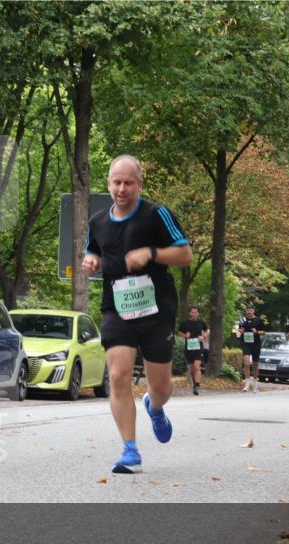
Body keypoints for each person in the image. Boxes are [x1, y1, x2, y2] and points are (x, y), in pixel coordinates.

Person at [82, 155, 193, 474]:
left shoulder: (157, 215)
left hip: (156, 309)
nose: (122, 188)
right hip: (116, 307)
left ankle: (155, 408)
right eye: (116, 182)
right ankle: (130, 450)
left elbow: (185, 254)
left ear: (139, 185)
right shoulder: (98, 221)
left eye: (128, 182)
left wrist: (152, 253)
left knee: (161, 387)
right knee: (117, 374)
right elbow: (93, 249)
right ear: (108, 184)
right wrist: (91, 260)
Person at [178, 306, 209, 395]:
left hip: (198, 347)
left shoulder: (201, 322)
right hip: (189, 348)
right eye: (192, 312)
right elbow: (179, 332)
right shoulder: (185, 323)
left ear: (198, 313)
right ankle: (195, 384)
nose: (194, 314)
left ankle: (197, 385)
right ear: (190, 313)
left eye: (196, 312)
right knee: (192, 369)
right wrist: (185, 335)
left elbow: (207, 331)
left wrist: (203, 336)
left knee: (196, 366)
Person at [235, 305, 265, 393]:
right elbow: (239, 331)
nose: (249, 312)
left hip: (256, 344)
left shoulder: (258, 320)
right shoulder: (243, 320)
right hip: (246, 343)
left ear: (254, 311)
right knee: (246, 363)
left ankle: (255, 384)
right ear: (246, 311)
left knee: (255, 364)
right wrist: (240, 331)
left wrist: (257, 332)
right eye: (248, 310)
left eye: (251, 310)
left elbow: (263, 332)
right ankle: (247, 383)